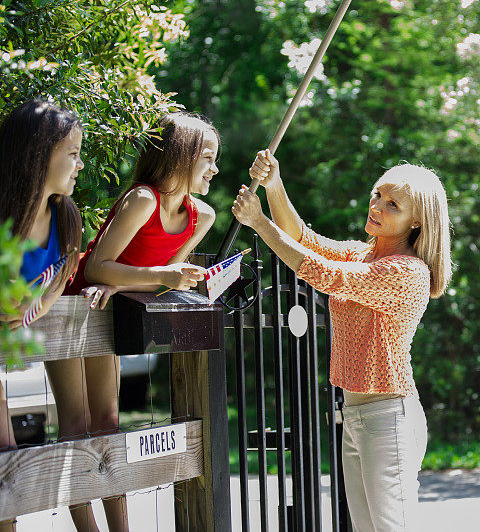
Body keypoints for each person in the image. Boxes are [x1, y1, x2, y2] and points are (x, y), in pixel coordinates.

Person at [232, 150, 452, 531]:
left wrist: (259, 224)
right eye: (377, 195)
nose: (378, 206)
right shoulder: (362, 255)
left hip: (389, 418)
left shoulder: (407, 271)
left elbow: (319, 272)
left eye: (393, 204)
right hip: (355, 415)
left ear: (417, 222)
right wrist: (273, 185)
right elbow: (304, 239)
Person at [56, 112, 218, 532]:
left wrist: (136, 282)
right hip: (77, 310)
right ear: (181, 157)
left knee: (108, 424)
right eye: (207, 158)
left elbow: (157, 283)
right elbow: (94, 270)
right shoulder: (142, 199)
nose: (215, 169)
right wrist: (150, 277)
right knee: (76, 425)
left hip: (111, 312)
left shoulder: (202, 217)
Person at [0, 99, 84, 532]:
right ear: (38, 153)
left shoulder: (65, 216)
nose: (80, 164)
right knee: (5, 453)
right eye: (72, 153)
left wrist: (37, 309)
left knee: (6, 455)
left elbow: (62, 273)